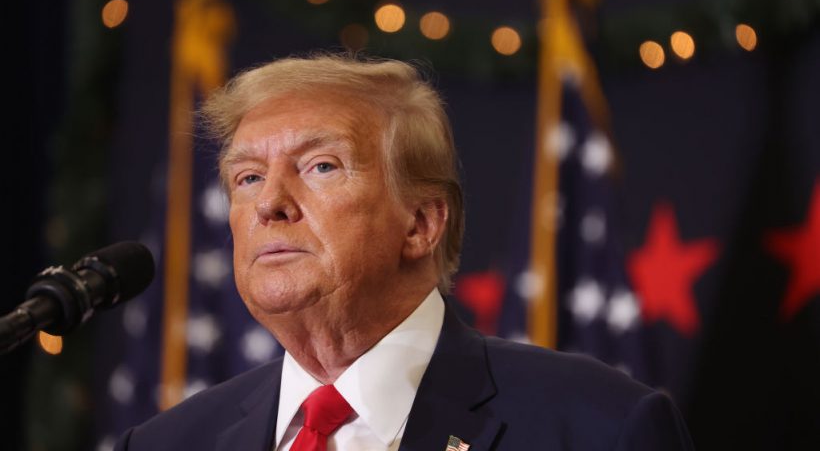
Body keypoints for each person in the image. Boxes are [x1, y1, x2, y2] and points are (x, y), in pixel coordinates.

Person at [115, 54, 694, 451]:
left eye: (320, 166)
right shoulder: (168, 443)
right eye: (246, 178)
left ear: (420, 223)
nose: (270, 204)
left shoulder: (598, 429)